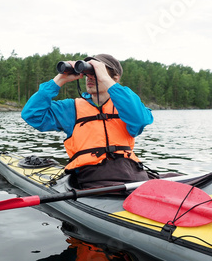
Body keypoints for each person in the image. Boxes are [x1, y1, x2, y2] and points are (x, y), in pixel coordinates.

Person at [21, 54, 154, 188]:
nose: (89, 77)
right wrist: (59, 80)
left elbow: (140, 120)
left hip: (132, 174)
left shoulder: (128, 106)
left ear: (115, 78)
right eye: (88, 73)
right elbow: (32, 115)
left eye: (95, 72)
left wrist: (107, 80)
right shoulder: (71, 109)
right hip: (90, 178)